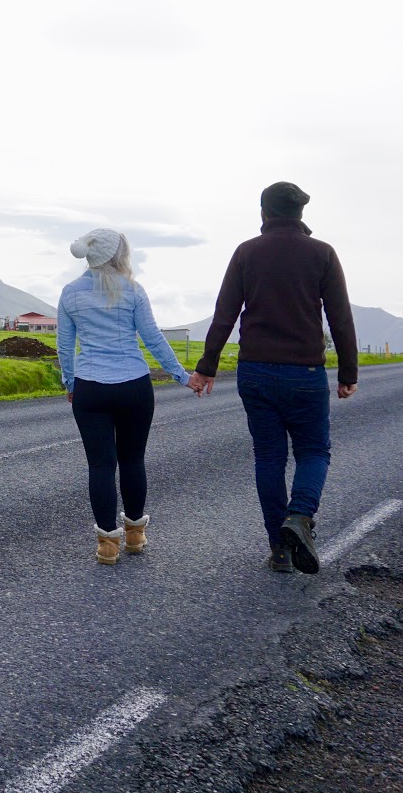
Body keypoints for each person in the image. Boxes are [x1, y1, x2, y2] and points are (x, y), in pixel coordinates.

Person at [187, 182, 358, 574]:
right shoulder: (323, 253)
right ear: (300, 214)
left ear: (263, 212)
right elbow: (340, 317)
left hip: (256, 371)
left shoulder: (247, 252)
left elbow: (225, 314)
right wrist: (347, 371)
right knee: (313, 452)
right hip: (306, 372)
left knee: (269, 456)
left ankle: (279, 549)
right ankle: (299, 516)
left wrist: (206, 367)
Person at [57, 228, 195, 565]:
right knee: (132, 460)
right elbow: (152, 338)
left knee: (100, 465)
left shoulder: (70, 293)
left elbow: (65, 346)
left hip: (90, 386)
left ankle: (107, 544)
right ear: (119, 255)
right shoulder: (133, 290)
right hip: (134, 385)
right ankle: (134, 535)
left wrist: (71, 385)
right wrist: (182, 376)